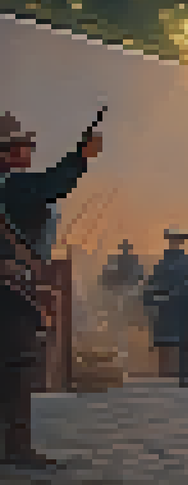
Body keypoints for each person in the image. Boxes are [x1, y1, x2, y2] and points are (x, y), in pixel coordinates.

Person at [0, 112, 103, 467]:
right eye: (21, 146)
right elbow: (53, 185)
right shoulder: (12, 185)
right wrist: (81, 157)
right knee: (17, 368)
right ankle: (15, 448)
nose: (28, 151)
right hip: (9, 290)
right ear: (7, 152)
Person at [144, 228, 188, 385]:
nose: (174, 243)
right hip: (176, 308)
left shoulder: (176, 263)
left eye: (175, 240)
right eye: (173, 240)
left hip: (176, 307)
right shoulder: (173, 263)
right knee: (180, 341)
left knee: (181, 341)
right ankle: (182, 372)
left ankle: (183, 372)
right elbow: (152, 287)